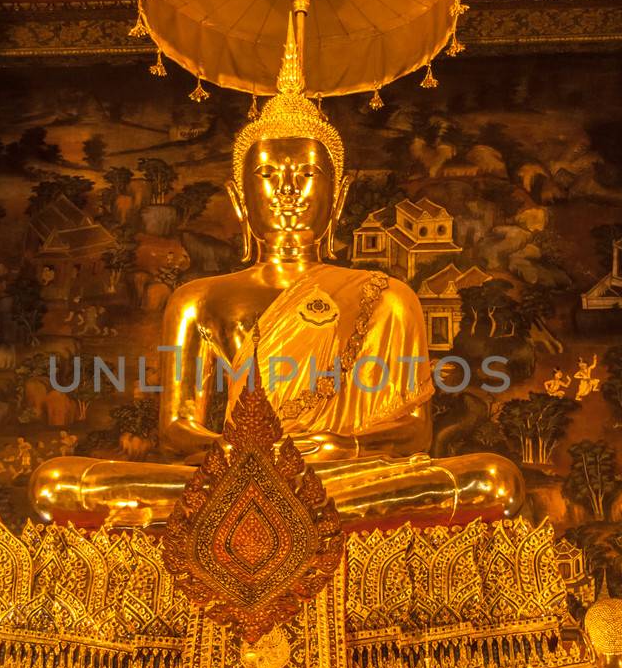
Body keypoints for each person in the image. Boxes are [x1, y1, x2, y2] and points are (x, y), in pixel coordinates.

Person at [30, 29, 523, 531]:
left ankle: (298, 506)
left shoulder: (387, 298)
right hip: (235, 478)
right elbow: (177, 432)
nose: (288, 191)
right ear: (240, 197)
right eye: (268, 175)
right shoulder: (198, 299)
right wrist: (249, 453)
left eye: (306, 174)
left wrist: (345, 445)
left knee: (491, 479)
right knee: (58, 484)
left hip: (350, 476)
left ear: (339, 193)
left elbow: (414, 434)